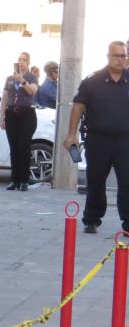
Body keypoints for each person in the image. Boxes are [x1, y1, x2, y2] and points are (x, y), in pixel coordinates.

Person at [64, 41, 129, 234]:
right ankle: (91, 220)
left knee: (127, 183)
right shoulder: (93, 81)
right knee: (96, 181)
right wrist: (71, 134)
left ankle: (127, 224)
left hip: (125, 142)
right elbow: (78, 106)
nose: (121, 60)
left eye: (124, 56)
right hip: (98, 140)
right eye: (117, 56)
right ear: (108, 56)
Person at [0, 52, 39, 191]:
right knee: (14, 147)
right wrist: (1, 115)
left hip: (26, 114)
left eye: (24, 60)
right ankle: (14, 179)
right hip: (12, 114)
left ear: (28, 62)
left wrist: (22, 80)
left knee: (24, 147)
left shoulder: (31, 77)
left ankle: (24, 179)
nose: (21, 62)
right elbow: (5, 97)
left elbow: (32, 91)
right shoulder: (9, 78)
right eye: (19, 60)